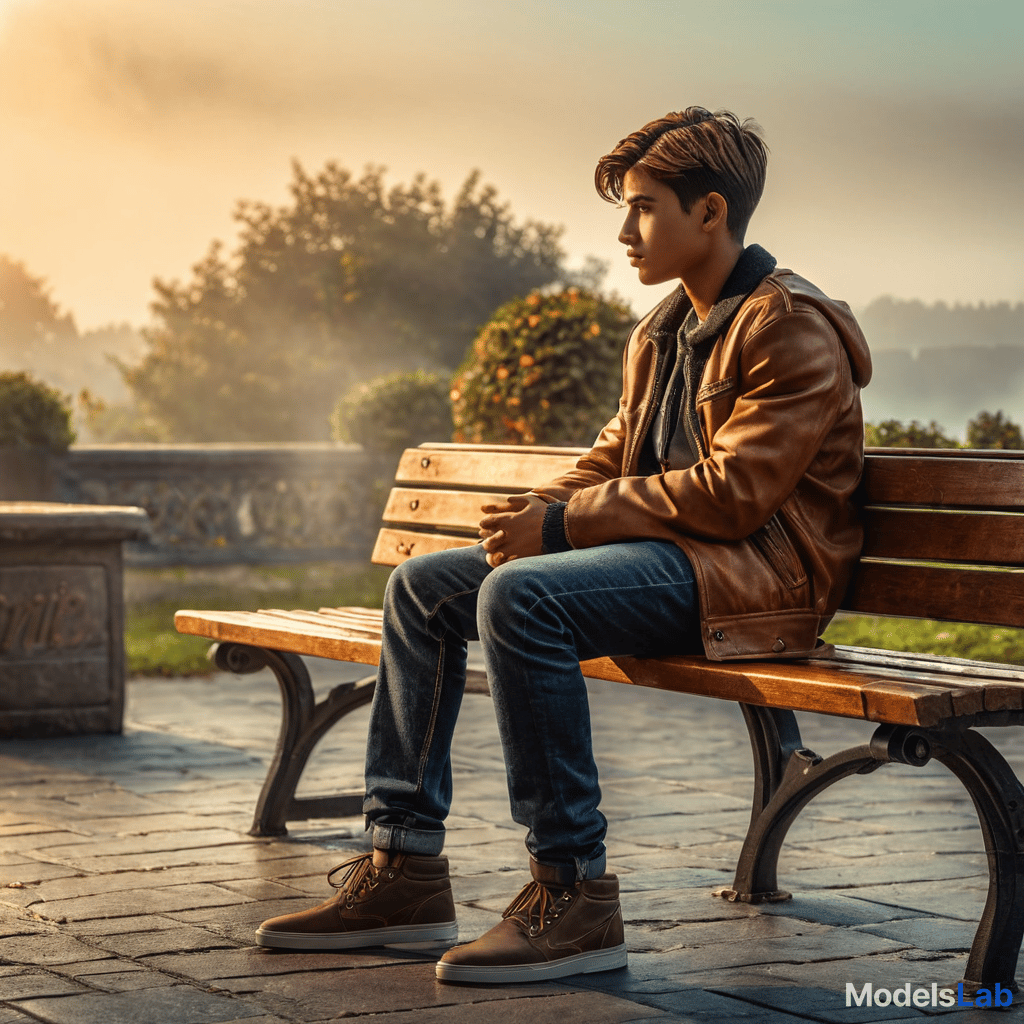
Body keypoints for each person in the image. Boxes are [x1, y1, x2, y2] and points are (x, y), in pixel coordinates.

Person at [255, 107, 871, 985]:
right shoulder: (661, 332)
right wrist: (537, 514)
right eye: (624, 208)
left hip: (756, 583)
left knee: (522, 597)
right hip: (681, 566)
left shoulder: (788, 326)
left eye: (645, 208)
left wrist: (561, 531)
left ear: (711, 213)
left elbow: (736, 497)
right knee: (428, 587)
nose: (625, 231)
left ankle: (573, 891)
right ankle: (404, 870)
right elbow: (613, 459)